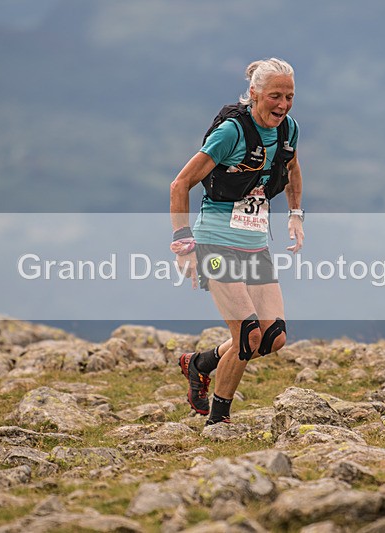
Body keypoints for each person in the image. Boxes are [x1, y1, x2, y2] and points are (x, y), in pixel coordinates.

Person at [169, 58, 304, 426]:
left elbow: (291, 168)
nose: (283, 104)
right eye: (275, 96)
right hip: (215, 242)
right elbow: (180, 185)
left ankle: (200, 363)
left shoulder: (288, 129)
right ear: (255, 94)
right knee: (247, 335)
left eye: (289, 96)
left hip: (255, 244)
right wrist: (183, 245)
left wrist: (296, 215)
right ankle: (218, 420)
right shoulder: (231, 132)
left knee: (272, 337)